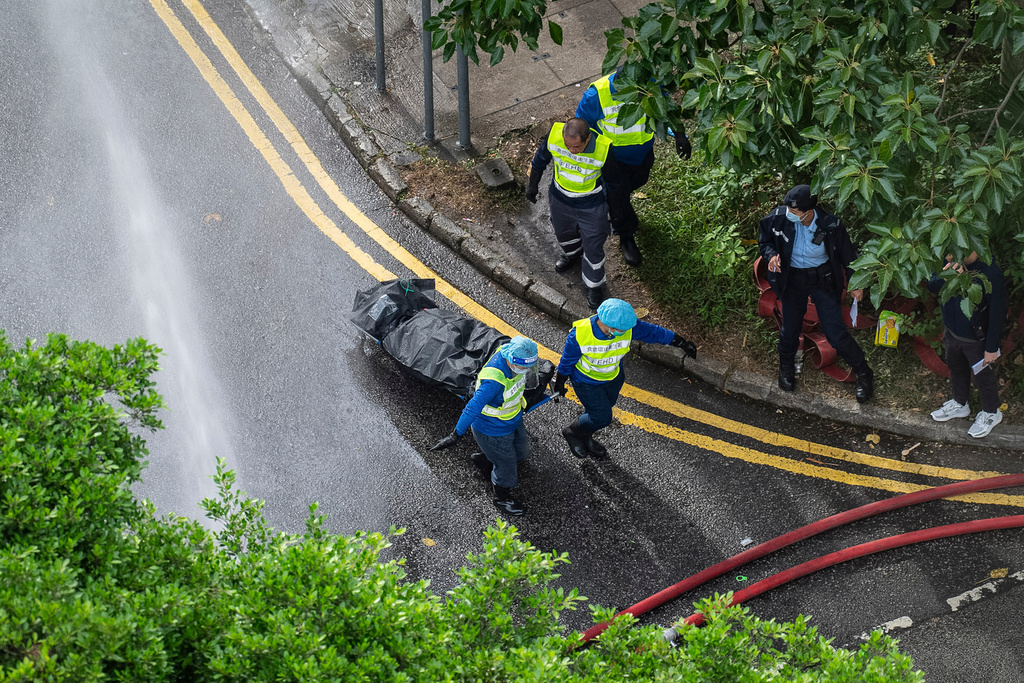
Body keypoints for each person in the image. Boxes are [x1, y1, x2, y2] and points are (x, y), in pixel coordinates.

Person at [757, 184, 875, 402]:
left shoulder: (831, 225)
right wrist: (771, 255)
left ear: (809, 212)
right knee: (790, 326)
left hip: (822, 279)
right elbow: (764, 243)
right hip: (792, 279)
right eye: (788, 210)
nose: (789, 215)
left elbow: (849, 256)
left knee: (835, 333)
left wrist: (856, 282)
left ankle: (863, 371)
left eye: (795, 212)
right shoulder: (778, 219)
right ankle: (786, 365)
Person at [551, 298, 697, 458]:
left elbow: (653, 332)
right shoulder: (579, 335)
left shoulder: (627, 328)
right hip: (586, 382)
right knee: (602, 417)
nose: (623, 332)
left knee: (602, 409)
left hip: (613, 378)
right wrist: (559, 383)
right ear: (606, 322)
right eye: (618, 330)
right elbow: (566, 362)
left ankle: (586, 433)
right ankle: (572, 432)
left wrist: (680, 342)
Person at [575, 68, 692, 267]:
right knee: (617, 197)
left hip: (642, 156)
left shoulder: (650, 84)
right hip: (613, 161)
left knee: (632, 185)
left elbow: (666, 109)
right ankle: (625, 235)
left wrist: (679, 133)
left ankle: (616, 205)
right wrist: (599, 154)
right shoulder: (597, 95)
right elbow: (583, 127)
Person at [429, 336, 540, 515]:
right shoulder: (493, 382)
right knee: (507, 465)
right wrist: (455, 435)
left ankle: (486, 459)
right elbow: (472, 408)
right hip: (492, 430)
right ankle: (501, 498)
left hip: (512, 419)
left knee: (521, 452)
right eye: (523, 367)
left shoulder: (511, 353)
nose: (526, 371)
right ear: (512, 361)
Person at [526, 118, 614, 310]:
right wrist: (532, 186)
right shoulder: (556, 136)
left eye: (576, 147)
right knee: (563, 233)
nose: (571, 151)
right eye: (568, 146)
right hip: (560, 199)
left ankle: (594, 285)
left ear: (588, 138)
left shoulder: (603, 149)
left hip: (591, 205)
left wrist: (614, 212)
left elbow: (613, 182)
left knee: (594, 245)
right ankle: (573, 255)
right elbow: (540, 161)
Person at [927, 252, 1008, 438]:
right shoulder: (947, 261)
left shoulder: (989, 272)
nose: (949, 255)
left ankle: (991, 412)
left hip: (975, 337)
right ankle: (960, 402)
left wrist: (991, 346)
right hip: (952, 330)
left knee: (983, 376)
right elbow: (932, 285)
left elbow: (998, 311)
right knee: (956, 367)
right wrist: (946, 277)